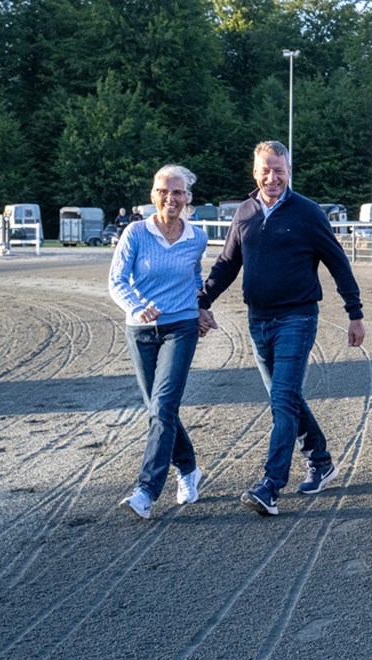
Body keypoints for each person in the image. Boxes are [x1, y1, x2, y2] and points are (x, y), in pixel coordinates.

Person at [197, 140, 365, 516]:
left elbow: (338, 263)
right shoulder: (244, 212)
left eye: (280, 170)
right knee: (286, 398)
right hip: (258, 320)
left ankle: (271, 486)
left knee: (282, 401)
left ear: (289, 171)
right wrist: (201, 301)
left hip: (297, 318)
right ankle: (321, 461)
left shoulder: (308, 213)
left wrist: (355, 313)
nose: (273, 177)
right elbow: (226, 265)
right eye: (266, 170)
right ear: (255, 172)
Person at [108, 165, 208, 520]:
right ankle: (189, 469)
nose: (171, 198)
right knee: (158, 409)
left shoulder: (196, 237)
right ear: (153, 196)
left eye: (178, 192)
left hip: (180, 327)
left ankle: (146, 490)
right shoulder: (135, 233)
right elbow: (117, 281)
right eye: (164, 191)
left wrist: (201, 307)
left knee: (163, 405)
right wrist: (137, 306)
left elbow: (195, 276)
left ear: (187, 198)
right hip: (140, 330)